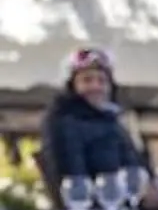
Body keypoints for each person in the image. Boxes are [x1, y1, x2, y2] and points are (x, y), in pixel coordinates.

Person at [39, 48, 150, 190]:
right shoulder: (62, 123)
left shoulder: (113, 121)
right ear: (72, 86)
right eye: (87, 80)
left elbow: (135, 165)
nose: (95, 86)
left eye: (102, 81)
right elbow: (71, 175)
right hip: (92, 207)